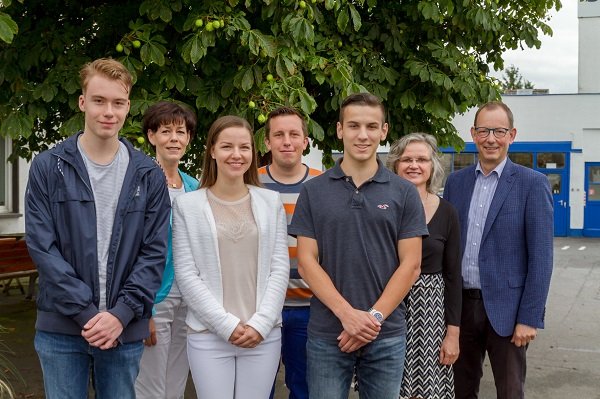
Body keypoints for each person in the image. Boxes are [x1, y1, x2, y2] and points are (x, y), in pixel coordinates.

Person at [24, 58, 171, 399]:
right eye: (99, 101)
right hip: (60, 330)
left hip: (123, 329)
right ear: (82, 102)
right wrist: (88, 314)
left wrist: (120, 315)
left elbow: (154, 253)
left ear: (128, 106)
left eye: (118, 103)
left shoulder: (148, 175)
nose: (109, 111)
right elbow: (43, 248)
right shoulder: (49, 167)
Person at [289, 93, 428, 399]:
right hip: (328, 333)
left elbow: (411, 265)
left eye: (371, 126)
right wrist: (347, 315)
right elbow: (307, 262)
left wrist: (372, 319)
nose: (362, 135)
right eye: (353, 125)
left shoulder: (404, 193)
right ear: (339, 130)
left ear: (384, 131)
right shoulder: (313, 191)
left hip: (385, 333)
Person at [172, 115, 290, 399]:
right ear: (212, 150)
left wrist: (260, 324)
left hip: (262, 334)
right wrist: (227, 325)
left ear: (253, 152)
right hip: (209, 335)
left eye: (244, 147)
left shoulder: (270, 201)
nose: (236, 155)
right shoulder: (187, 206)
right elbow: (187, 275)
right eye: (227, 147)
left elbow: (279, 267)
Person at [443, 101, 553, 399]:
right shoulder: (456, 183)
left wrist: (529, 317)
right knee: (460, 390)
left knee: (510, 391)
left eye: (499, 131)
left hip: (508, 312)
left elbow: (541, 259)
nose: (491, 138)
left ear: (512, 134)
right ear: (473, 134)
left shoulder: (533, 184)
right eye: (483, 130)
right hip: (461, 310)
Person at [386, 133, 461, 399]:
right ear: (395, 164)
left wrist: (452, 333)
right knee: (386, 387)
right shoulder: (382, 207)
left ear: (432, 167)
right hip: (387, 307)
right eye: (407, 159)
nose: (414, 165)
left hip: (430, 313)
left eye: (422, 159)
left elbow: (453, 277)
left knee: (427, 391)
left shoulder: (447, 212)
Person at [135, 101, 199, 399]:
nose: (174, 138)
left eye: (181, 132)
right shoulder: (139, 182)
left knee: (177, 380)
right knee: (150, 383)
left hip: (188, 297)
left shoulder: (194, 186)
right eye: (166, 131)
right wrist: (141, 308)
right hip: (154, 296)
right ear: (151, 137)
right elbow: (132, 246)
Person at [259, 107, 321, 399]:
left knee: (305, 389)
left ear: (305, 141)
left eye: (294, 134)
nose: (287, 141)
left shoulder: (325, 185)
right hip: (260, 308)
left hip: (311, 308)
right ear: (267, 142)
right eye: (279, 135)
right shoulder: (249, 183)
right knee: (259, 389)